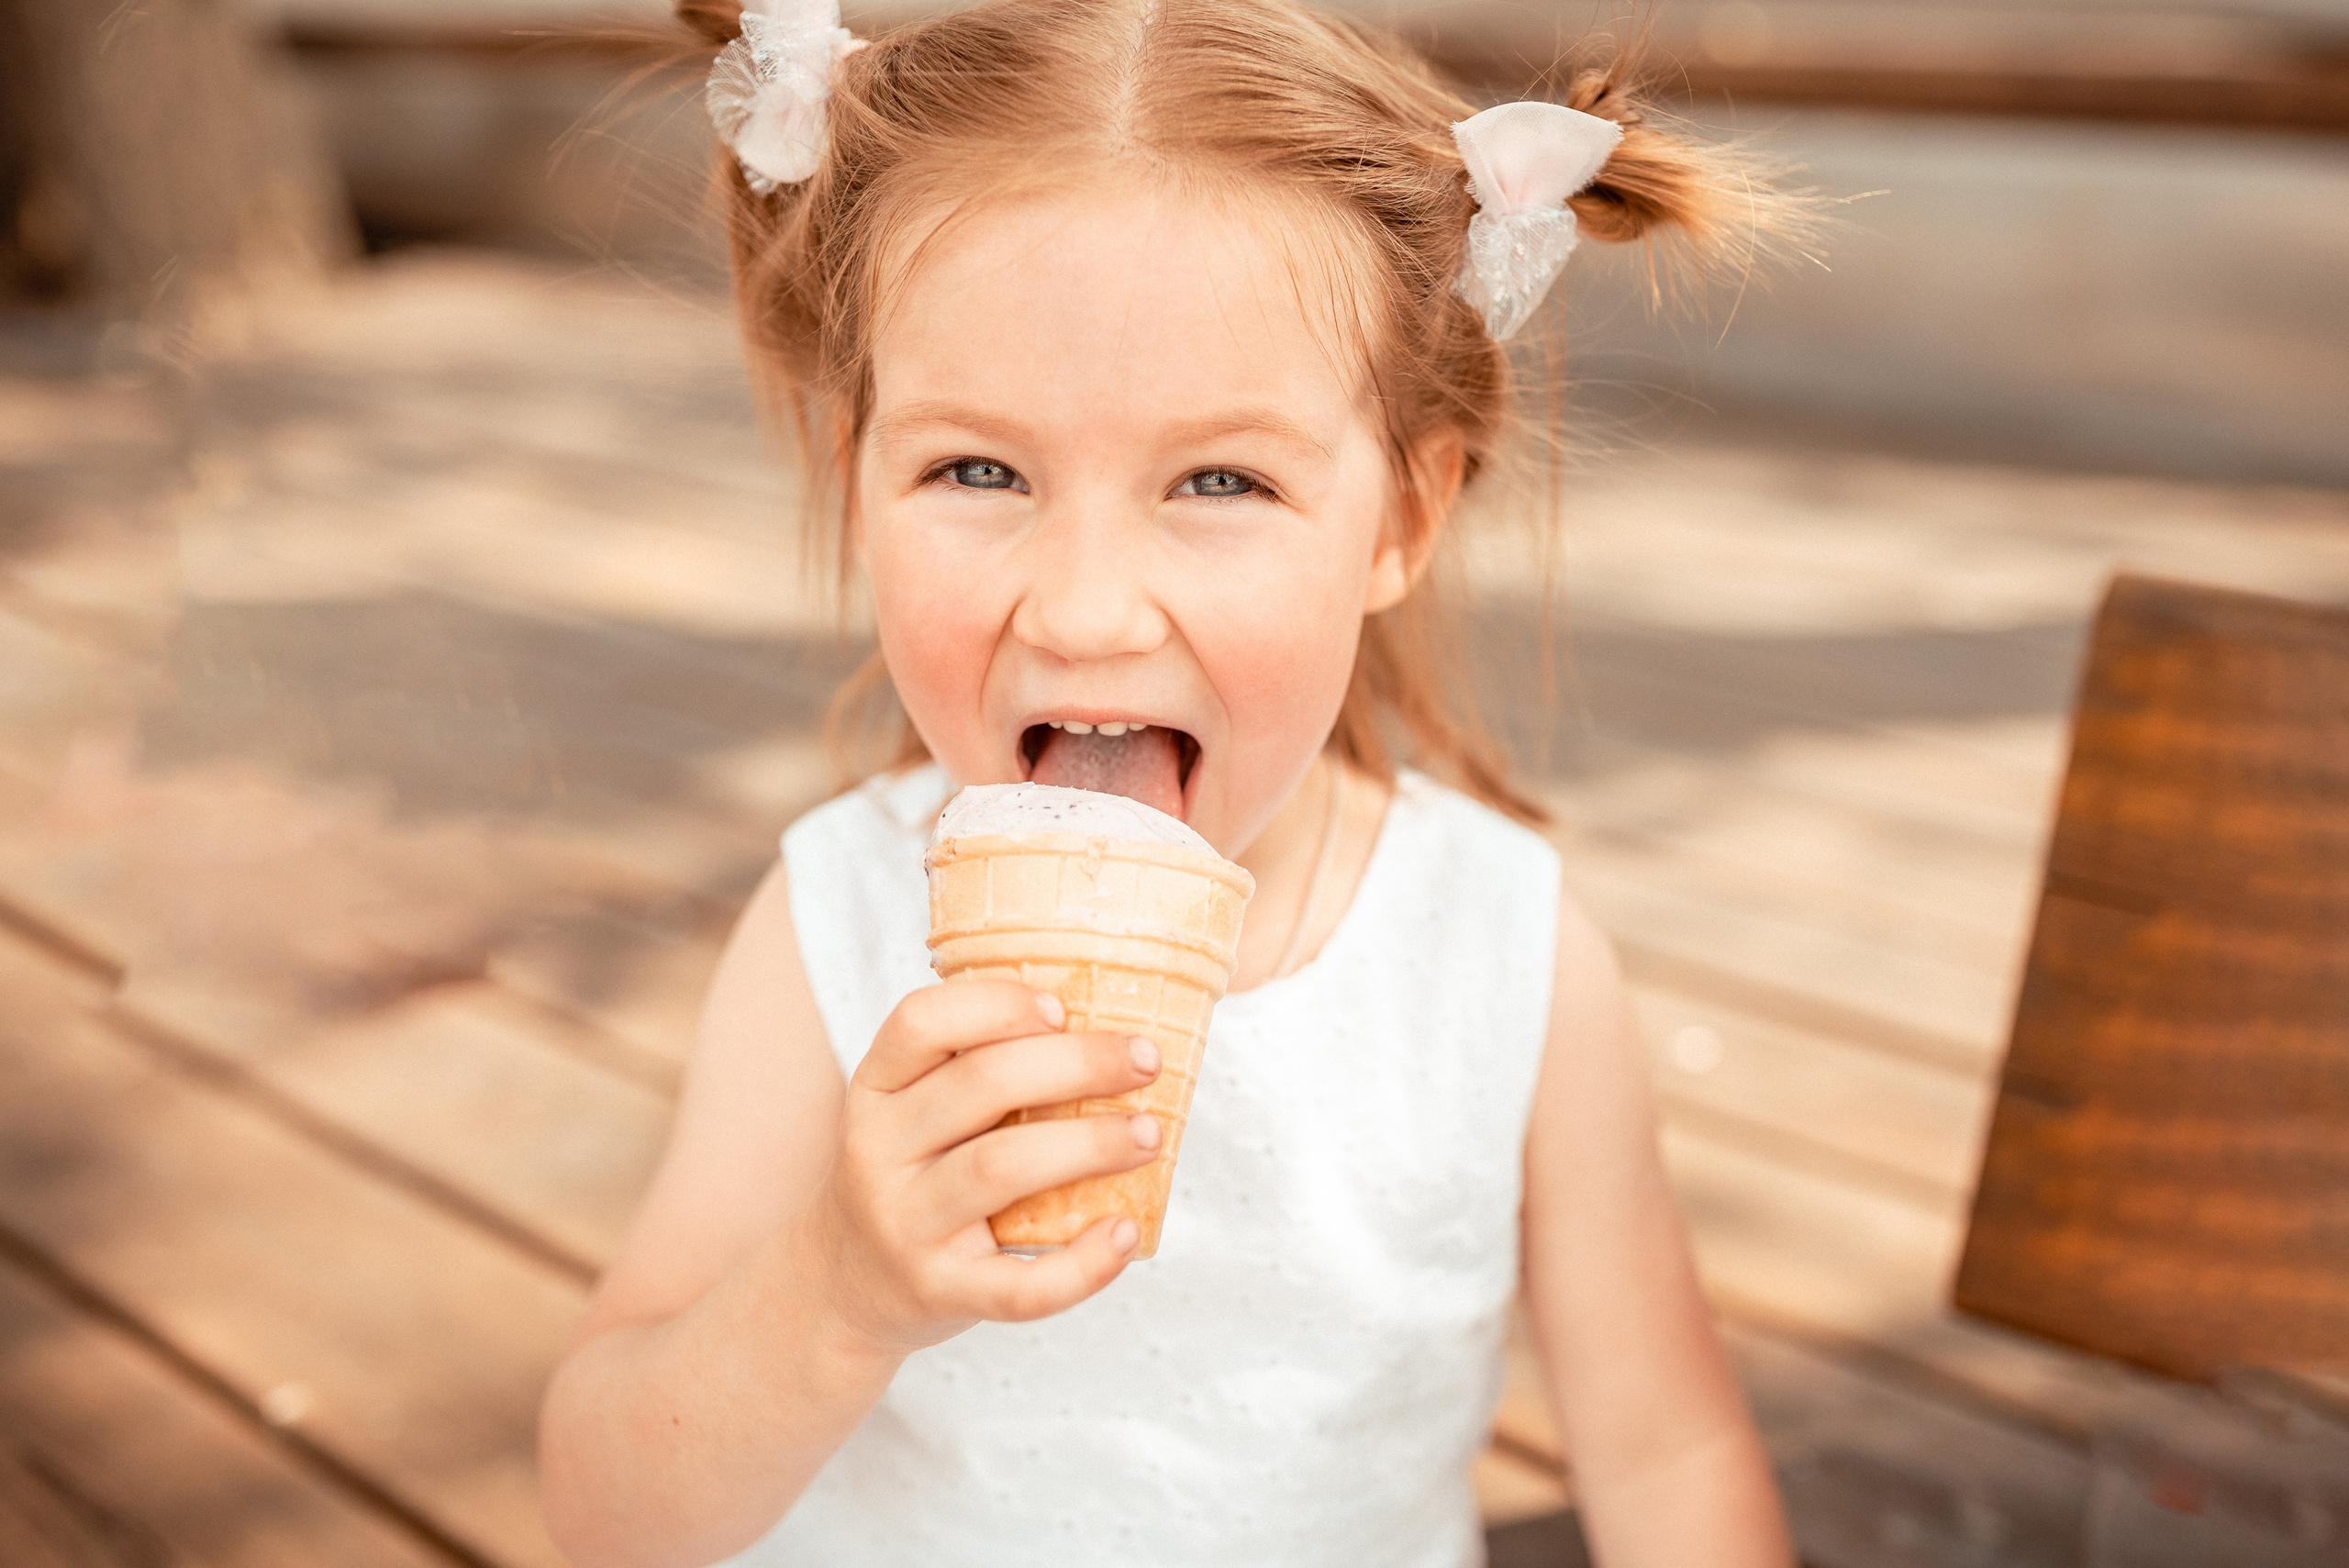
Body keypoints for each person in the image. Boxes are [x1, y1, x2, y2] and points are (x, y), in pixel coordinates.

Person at [540, 0, 1802, 1562]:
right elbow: (608, 1514)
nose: (1086, 612)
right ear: (858, 477)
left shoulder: (1502, 957)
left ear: (1404, 520)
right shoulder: (836, 927)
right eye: (977, 469)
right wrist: (833, 1291)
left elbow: (1669, 1453)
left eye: (1220, 479)